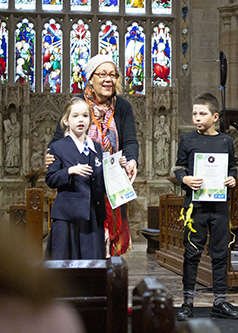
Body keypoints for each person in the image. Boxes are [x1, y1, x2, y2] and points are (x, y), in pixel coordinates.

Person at [46, 54, 139, 257]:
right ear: (90, 78)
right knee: (83, 242)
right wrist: (50, 157)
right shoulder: (78, 104)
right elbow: (57, 140)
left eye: (113, 75)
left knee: (110, 243)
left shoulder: (122, 107)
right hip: (81, 183)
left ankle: (104, 282)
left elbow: (130, 141)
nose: (108, 79)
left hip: (111, 180)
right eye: (103, 74)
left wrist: (131, 161)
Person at [174, 92, 238, 321]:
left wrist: (233, 179)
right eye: (194, 113)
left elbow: (233, 168)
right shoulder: (187, 140)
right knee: (192, 253)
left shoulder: (225, 141)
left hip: (220, 206)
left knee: (220, 254)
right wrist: (185, 180)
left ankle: (219, 301)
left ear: (214, 117)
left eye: (202, 114)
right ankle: (188, 303)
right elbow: (179, 168)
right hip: (196, 205)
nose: (197, 118)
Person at [45, 97, 106, 260]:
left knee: (91, 266)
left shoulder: (97, 148)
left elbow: (101, 183)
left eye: (85, 116)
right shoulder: (57, 148)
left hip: (92, 217)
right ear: (66, 121)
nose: (81, 120)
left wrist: (117, 168)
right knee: (64, 267)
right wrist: (70, 171)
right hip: (67, 217)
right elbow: (51, 179)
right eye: (75, 116)